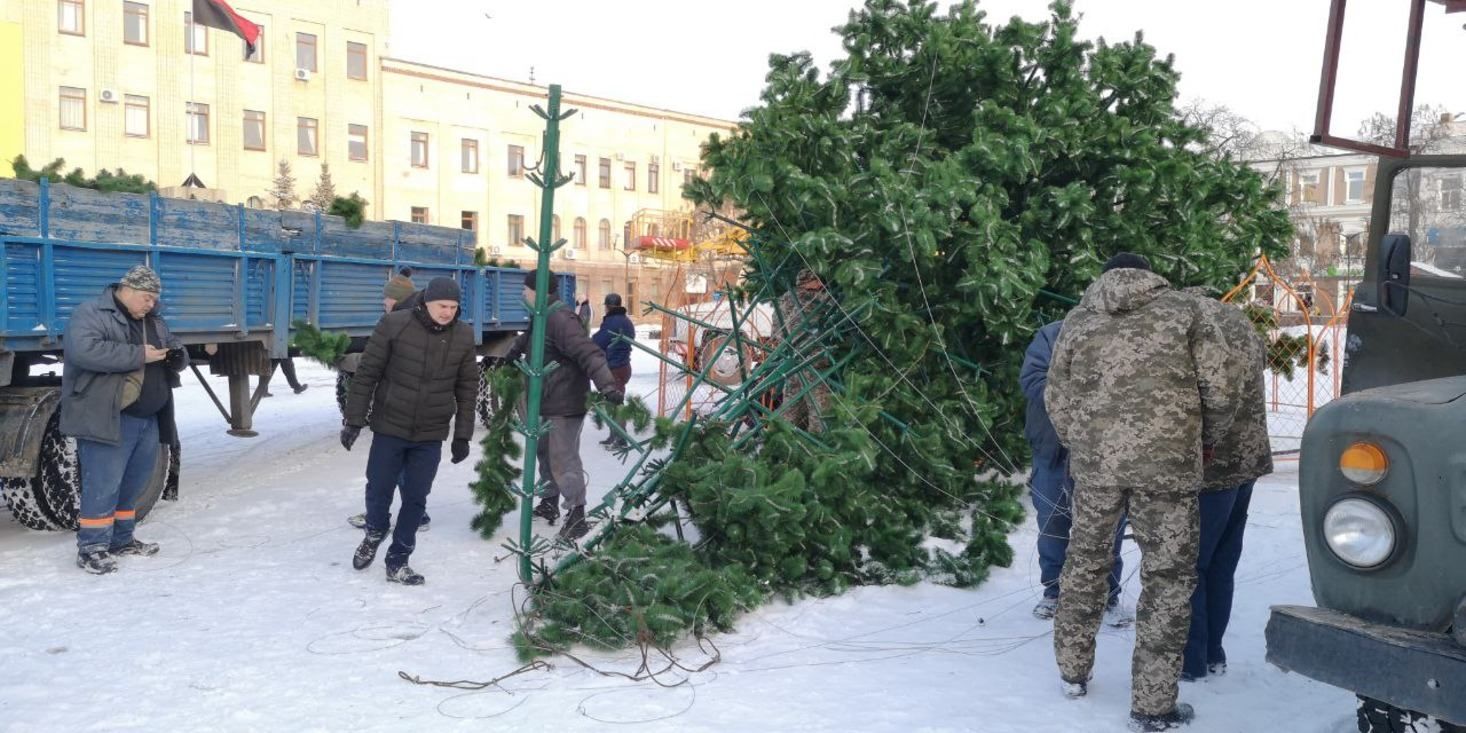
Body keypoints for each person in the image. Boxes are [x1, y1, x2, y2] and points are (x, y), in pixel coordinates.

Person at [1046, 253, 1235, 732]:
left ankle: (1072, 671)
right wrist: (1203, 442)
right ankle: (1152, 705)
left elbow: (1056, 394)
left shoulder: (1078, 319)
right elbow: (1221, 389)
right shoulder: (1185, 313)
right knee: (1167, 578)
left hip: (1096, 469)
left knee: (1085, 562)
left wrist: (1085, 444)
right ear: (1149, 274)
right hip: (1168, 467)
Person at [341, 277, 477, 585]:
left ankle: (398, 560)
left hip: (430, 432)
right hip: (391, 425)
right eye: (443, 306)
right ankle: (375, 530)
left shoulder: (463, 336)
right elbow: (367, 374)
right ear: (426, 302)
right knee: (379, 489)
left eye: (454, 307)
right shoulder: (395, 325)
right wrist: (354, 420)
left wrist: (462, 436)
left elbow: (467, 388)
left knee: (416, 498)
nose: (448, 313)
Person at [61, 265, 188, 574]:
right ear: (126, 290)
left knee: (133, 483)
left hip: (148, 417)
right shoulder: (92, 313)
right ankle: (91, 548)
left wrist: (176, 356)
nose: (151, 305)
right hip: (110, 415)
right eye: (146, 298)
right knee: (103, 483)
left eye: (154, 300)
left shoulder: (153, 320)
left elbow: (176, 346)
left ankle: (121, 539)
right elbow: (84, 351)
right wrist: (138, 355)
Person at [1181, 291, 1272, 682]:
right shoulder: (1240, 322)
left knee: (1190, 565)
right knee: (1221, 562)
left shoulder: (1187, 327)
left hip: (1210, 465)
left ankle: (1192, 661)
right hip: (1248, 458)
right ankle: (1214, 650)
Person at [1019, 320, 1131, 626]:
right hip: (1053, 450)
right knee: (1053, 520)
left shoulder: (1124, 333)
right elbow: (1031, 379)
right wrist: (1080, 397)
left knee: (1110, 525)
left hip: (1106, 454)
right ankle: (1054, 593)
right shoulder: (1052, 334)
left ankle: (1107, 597)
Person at [509, 271, 625, 541]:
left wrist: (607, 385)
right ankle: (549, 501)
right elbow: (529, 339)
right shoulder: (542, 316)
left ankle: (577, 515)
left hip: (565, 401)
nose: (523, 295)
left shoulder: (561, 319)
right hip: (547, 400)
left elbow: (588, 352)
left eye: (526, 290)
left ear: (537, 292)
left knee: (563, 458)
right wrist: (511, 355)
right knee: (544, 452)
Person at [347, 267, 431, 532]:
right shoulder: (409, 318)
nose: (383, 303)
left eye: (386, 298)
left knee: (394, 467)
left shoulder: (400, 323)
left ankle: (405, 516)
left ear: (394, 299)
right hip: (406, 408)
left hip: (402, 410)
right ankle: (392, 514)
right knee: (396, 467)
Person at [774, 270, 835, 433]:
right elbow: (838, 307)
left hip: (790, 359)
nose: (821, 285)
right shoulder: (812, 298)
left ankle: (781, 436)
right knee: (819, 405)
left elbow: (775, 329)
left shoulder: (784, 299)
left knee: (791, 404)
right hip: (811, 359)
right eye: (817, 280)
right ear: (809, 282)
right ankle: (817, 440)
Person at [592, 292, 636, 449]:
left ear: (608, 306)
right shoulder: (626, 321)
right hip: (623, 366)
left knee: (616, 403)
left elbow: (599, 341)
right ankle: (614, 435)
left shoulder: (612, 322)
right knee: (613, 402)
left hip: (614, 367)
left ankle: (621, 438)